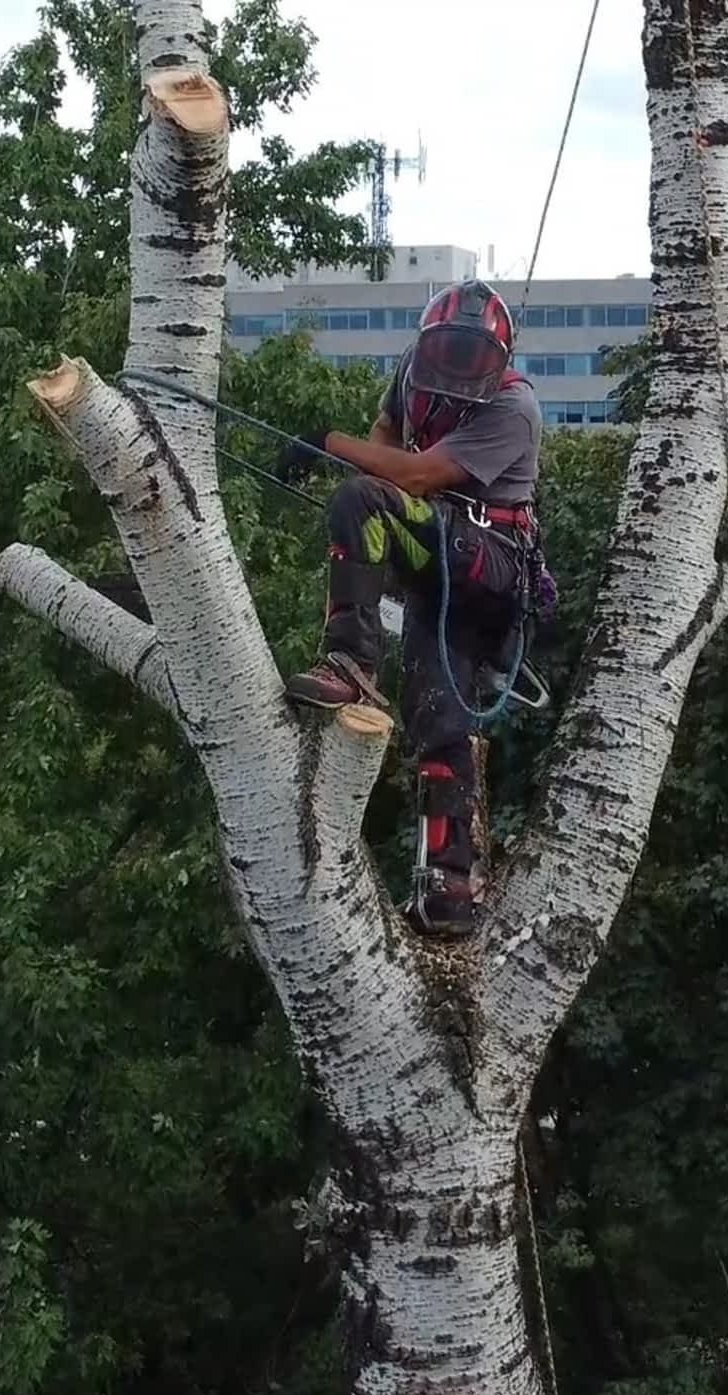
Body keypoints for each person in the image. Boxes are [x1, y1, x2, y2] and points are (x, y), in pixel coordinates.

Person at [276, 278, 544, 938]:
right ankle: (449, 890)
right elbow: (389, 434)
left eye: (471, 357)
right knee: (439, 720)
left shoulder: (515, 408)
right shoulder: (410, 372)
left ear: (499, 358)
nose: (455, 370)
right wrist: (375, 487)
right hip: (434, 557)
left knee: (362, 498)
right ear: (427, 346)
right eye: (446, 353)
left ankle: (350, 661)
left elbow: (418, 478)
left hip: (489, 563)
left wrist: (328, 444)